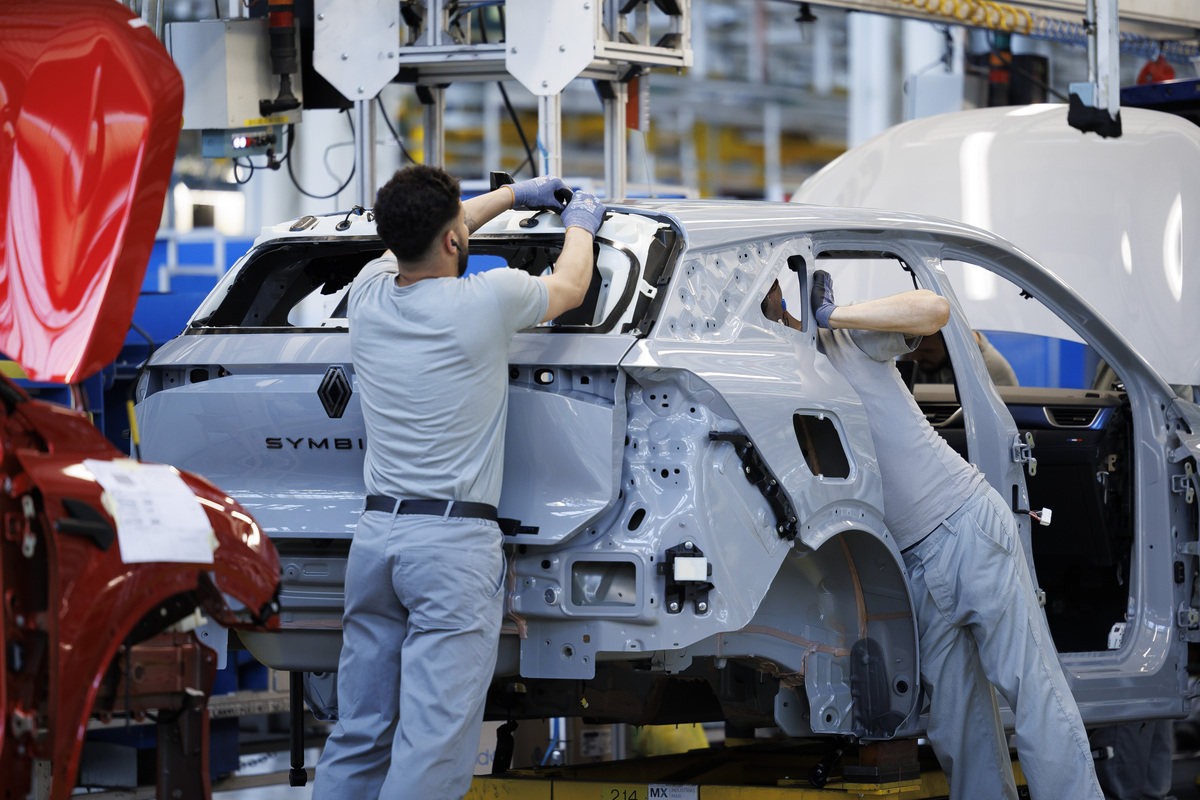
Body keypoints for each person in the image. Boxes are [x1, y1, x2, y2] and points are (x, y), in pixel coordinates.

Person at [312, 166, 605, 800]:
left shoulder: (366, 294)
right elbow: (572, 285)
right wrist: (580, 222)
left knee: (359, 730)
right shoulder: (487, 299)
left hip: (376, 541)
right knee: (433, 744)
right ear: (452, 241)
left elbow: (428, 234)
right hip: (450, 548)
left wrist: (506, 197)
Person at [764, 272, 1102, 800]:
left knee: (1032, 696)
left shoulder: (845, 338)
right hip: (909, 565)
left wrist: (834, 315)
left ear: (785, 293)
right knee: (957, 730)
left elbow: (933, 310)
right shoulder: (775, 383)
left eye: (768, 300)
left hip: (965, 525)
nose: (764, 316)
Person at [907, 328, 1019, 386]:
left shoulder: (990, 368)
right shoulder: (915, 352)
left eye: (927, 351)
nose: (914, 358)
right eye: (911, 352)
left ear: (951, 341)